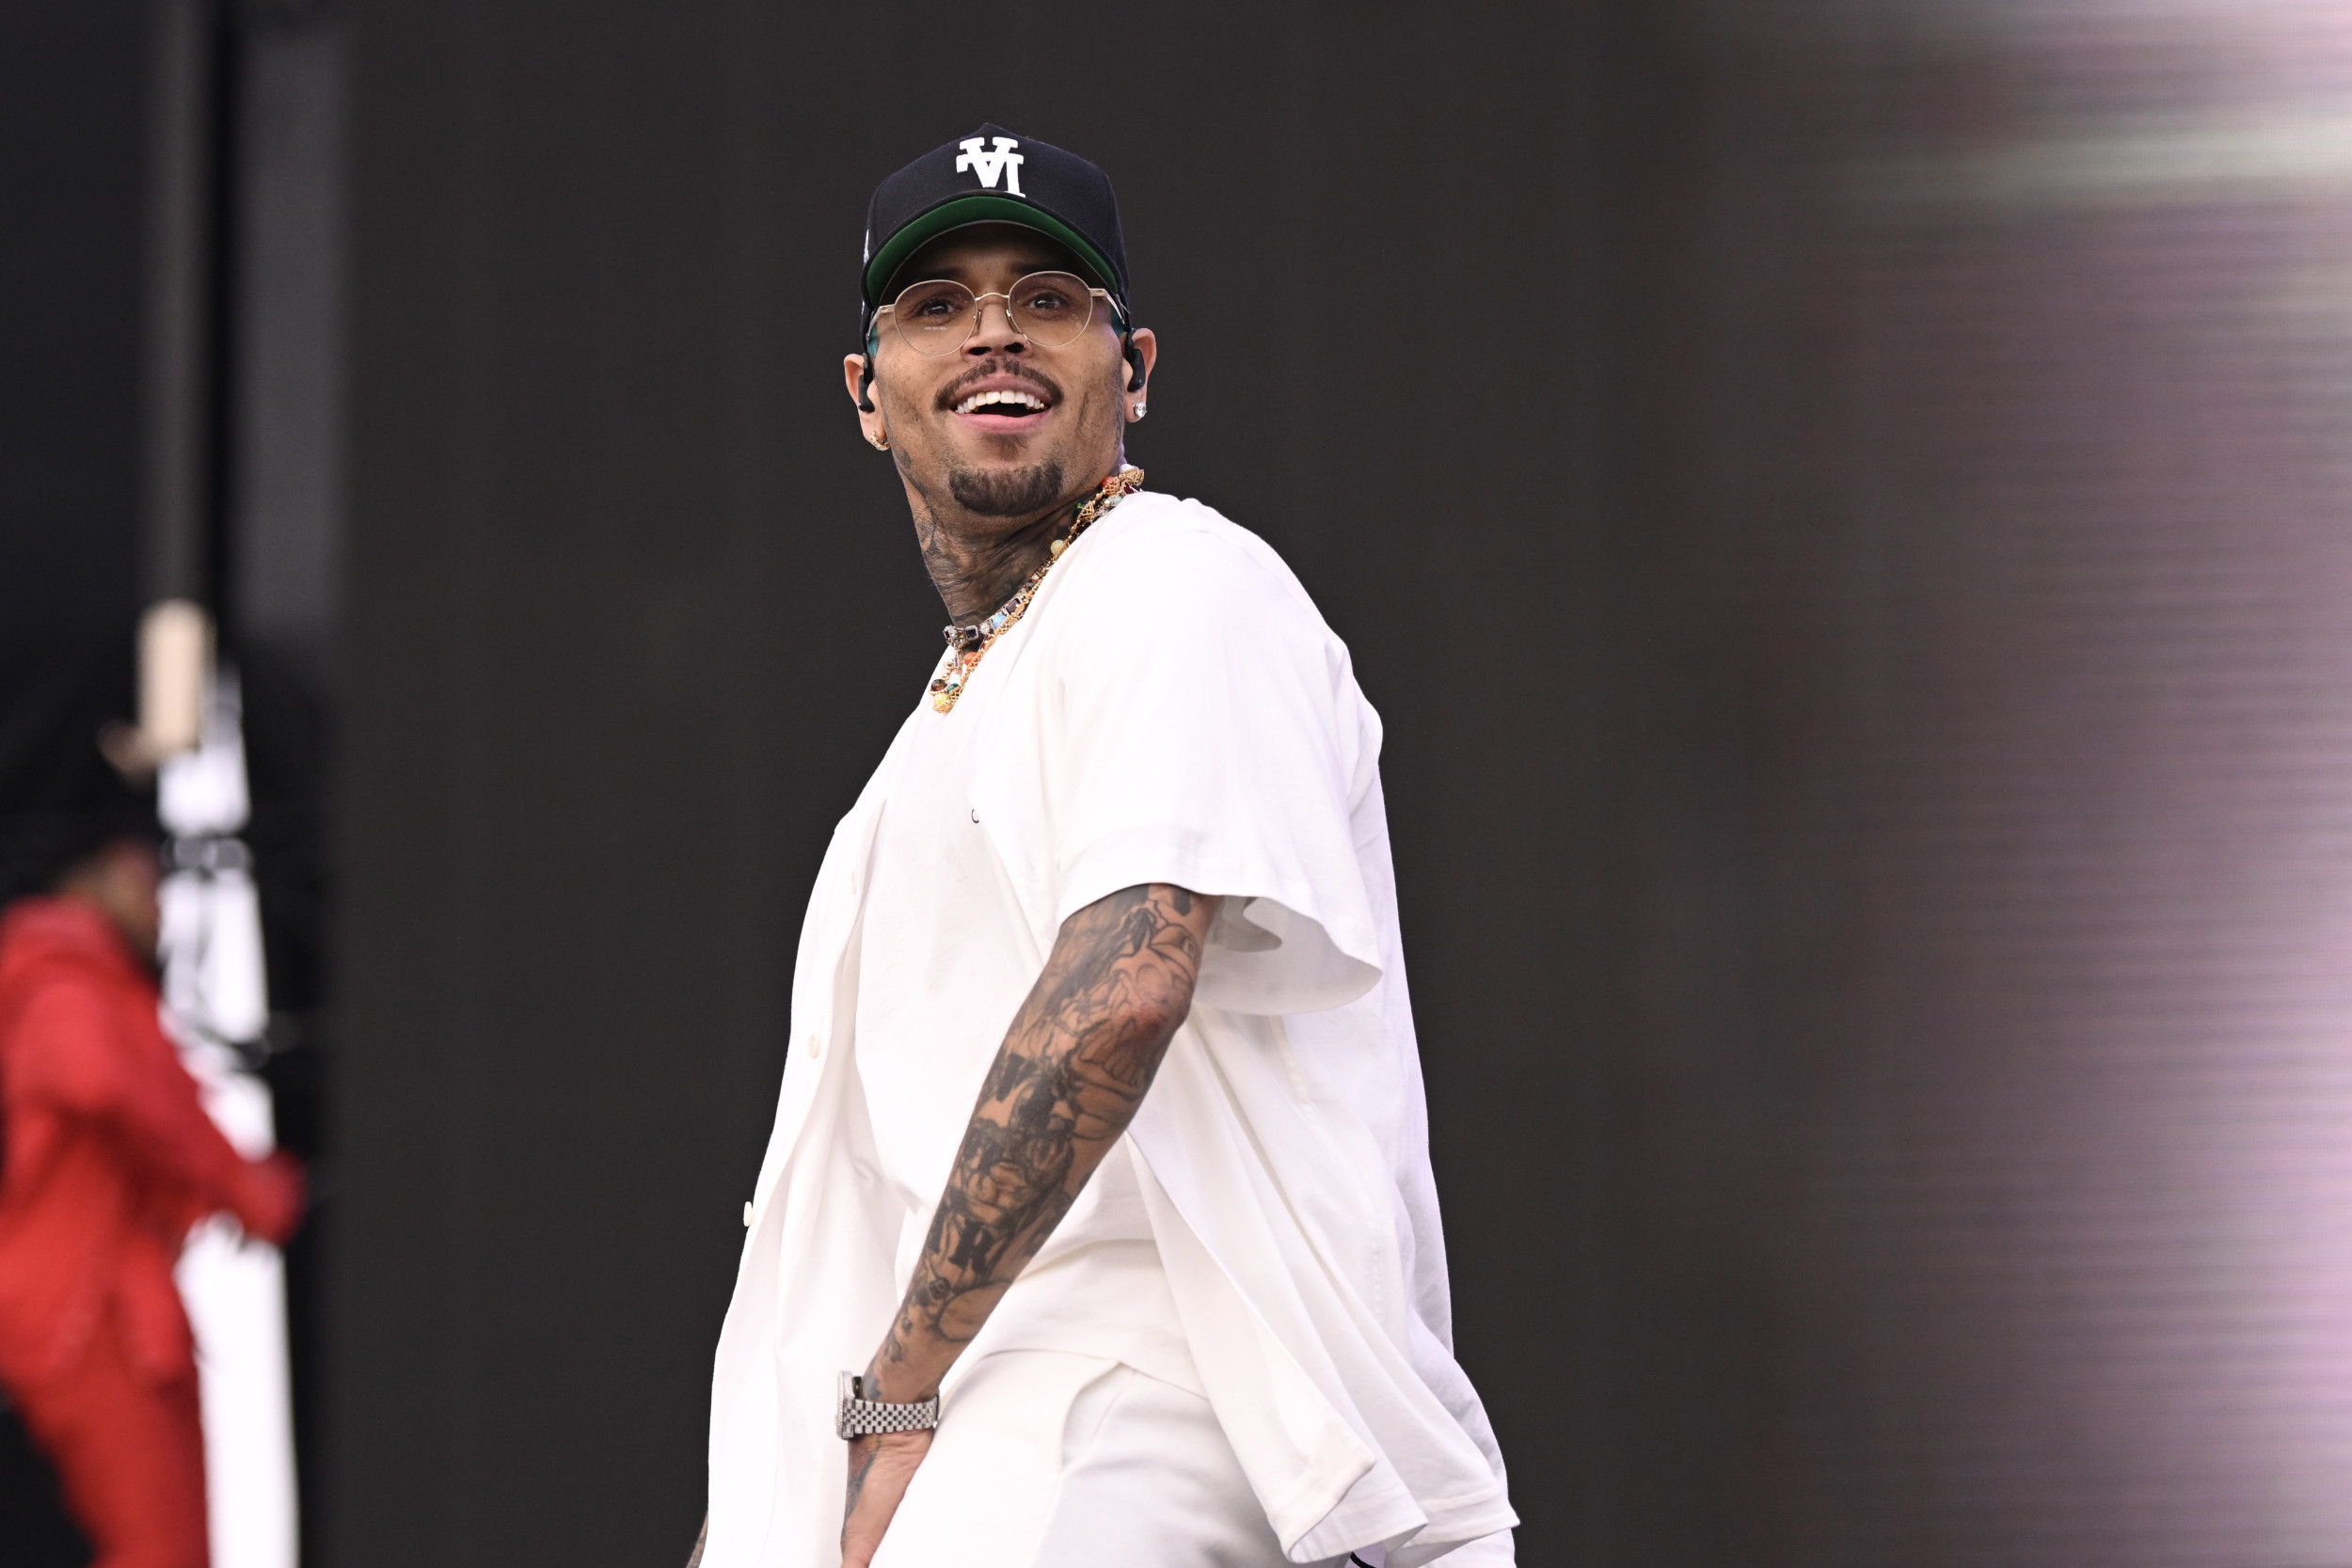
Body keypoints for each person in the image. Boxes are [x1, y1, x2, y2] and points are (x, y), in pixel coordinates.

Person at [694, 125, 1515, 1568]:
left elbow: (1125, 987)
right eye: (937, 302)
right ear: (868, 392)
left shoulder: (1169, 578)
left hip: (1134, 1404)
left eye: (1047, 296)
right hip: (985, 1431)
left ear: (1131, 368)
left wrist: (899, 1389)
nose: (994, 331)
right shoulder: (935, 731)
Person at [0, 773, 305, 1568]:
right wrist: (238, 1183)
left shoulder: (72, 975)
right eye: (147, 877)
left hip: (102, 1322)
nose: (161, 905)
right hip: (88, 1325)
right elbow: (97, 1079)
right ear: (99, 872)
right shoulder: (61, 972)